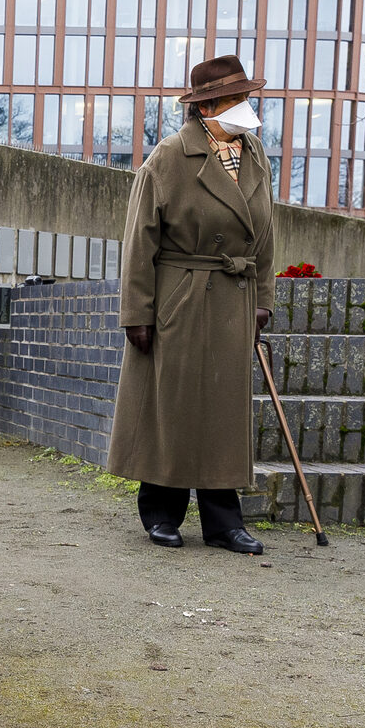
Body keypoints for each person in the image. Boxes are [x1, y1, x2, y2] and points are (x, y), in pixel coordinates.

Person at [109, 55, 274, 553]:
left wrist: (263, 297)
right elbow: (139, 241)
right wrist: (136, 313)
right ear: (207, 107)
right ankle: (162, 511)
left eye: (246, 97)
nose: (245, 107)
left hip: (234, 297)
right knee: (173, 406)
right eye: (235, 99)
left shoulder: (256, 155)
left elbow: (265, 234)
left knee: (224, 410)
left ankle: (224, 521)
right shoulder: (167, 159)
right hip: (179, 296)